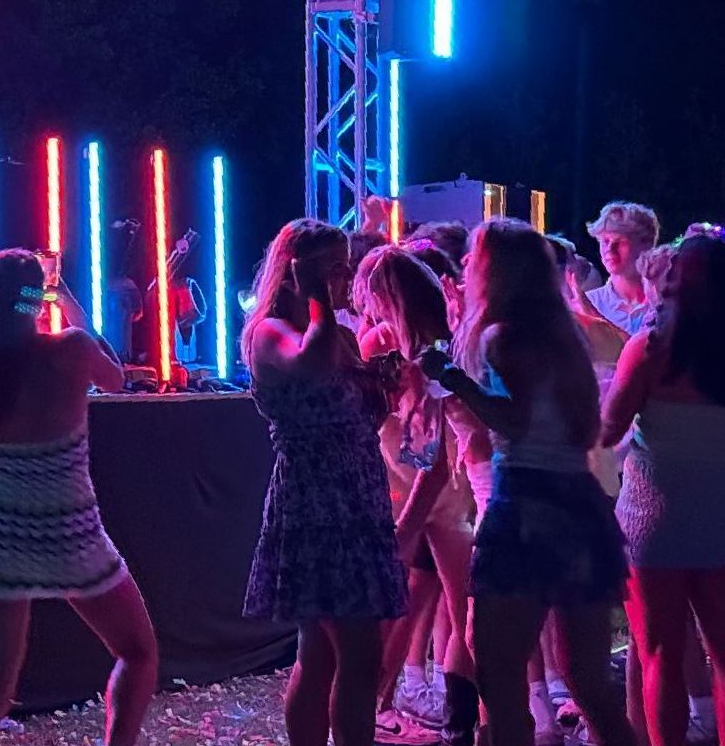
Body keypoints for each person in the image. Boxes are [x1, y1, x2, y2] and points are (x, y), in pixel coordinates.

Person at [417, 219, 635, 746]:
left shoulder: (501, 337)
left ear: (497, 271)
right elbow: (586, 428)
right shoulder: (565, 338)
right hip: (578, 505)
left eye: (473, 258)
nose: (465, 266)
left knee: (497, 666)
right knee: (587, 676)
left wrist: (452, 380)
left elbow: (513, 422)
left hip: (525, 506)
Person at [0, 249, 158, 746]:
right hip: (72, 533)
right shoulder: (71, 348)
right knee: (139, 651)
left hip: (0, 539)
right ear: (37, 298)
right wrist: (68, 303)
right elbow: (117, 376)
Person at [242, 219, 407, 746]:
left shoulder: (337, 332)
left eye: (345, 265)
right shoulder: (271, 332)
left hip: (357, 499)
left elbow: (360, 419)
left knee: (321, 654)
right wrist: (316, 300)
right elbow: (310, 366)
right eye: (331, 266)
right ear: (294, 269)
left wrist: (386, 387)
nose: (343, 277)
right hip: (317, 503)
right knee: (359, 656)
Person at [602, 232, 725, 746]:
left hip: (653, 520)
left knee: (658, 655)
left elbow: (609, 429)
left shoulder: (649, 347)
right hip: (719, 513)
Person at [360, 246, 480, 746]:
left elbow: (423, 439)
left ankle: (388, 710)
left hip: (431, 483)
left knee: (452, 605)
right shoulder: (416, 343)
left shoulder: (417, 347)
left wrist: (406, 522)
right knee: (448, 605)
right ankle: (389, 709)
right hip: (428, 483)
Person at [585, 202, 661, 337]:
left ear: (646, 244)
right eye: (605, 241)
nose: (609, 249)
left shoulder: (665, 304)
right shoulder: (590, 303)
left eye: (620, 241)